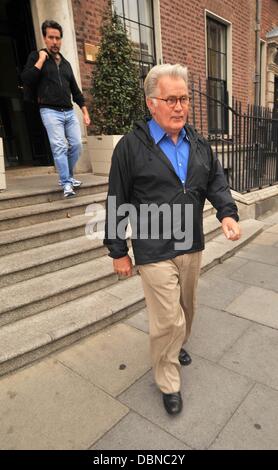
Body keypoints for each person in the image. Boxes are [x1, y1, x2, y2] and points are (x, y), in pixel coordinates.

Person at [104, 64, 240, 415]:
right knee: (167, 320)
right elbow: (117, 199)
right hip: (153, 247)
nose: (180, 107)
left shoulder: (198, 143)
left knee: (186, 310)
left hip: (190, 244)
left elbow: (215, 182)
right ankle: (168, 381)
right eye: (171, 99)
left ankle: (176, 343)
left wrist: (227, 213)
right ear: (152, 103)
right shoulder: (130, 148)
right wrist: (118, 250)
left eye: (184, 99)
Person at [21, 20, 91, 198]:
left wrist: (84, 111)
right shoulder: (36, 57)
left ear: (61, 40)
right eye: (51, 37)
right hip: (50, 111)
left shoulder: (66, 64)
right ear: (45, 38)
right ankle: (67, 183)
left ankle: (68, 177)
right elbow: (27, 78)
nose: (54, 41)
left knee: (76, 145)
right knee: (59, 146)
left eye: (57, 38)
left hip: (68, 111)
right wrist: (41, 59)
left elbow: (75, 90)